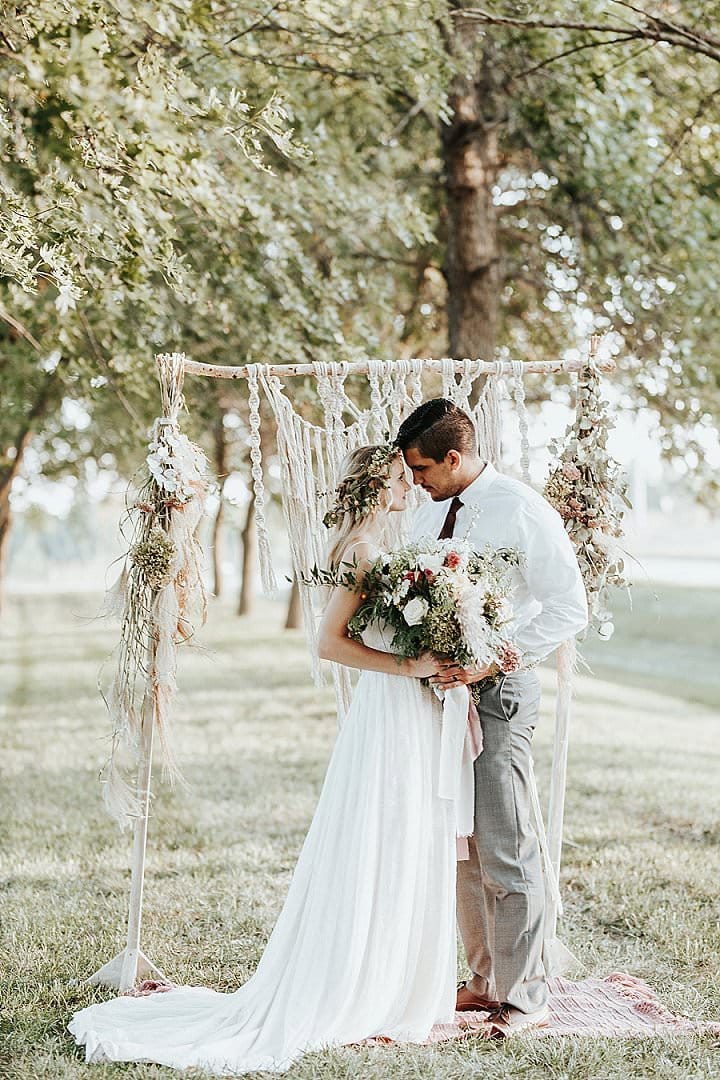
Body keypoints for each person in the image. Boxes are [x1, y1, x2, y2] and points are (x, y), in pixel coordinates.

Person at [69, 444, 462, 1074]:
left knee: (405, 828)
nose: (409, 487)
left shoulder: (379, 544)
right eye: (396, 478)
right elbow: (330, 642)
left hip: (404, 708)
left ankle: (395, 978)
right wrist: (410, 663)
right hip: (389, 706)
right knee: (382, 827)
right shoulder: (359, 552)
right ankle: (363, 982)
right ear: (372, 484)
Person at [395, 398, 588, 1038]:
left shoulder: (523, 510)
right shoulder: (429, 515)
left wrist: (488, 660)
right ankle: (483, 981)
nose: (415, 481)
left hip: (500, 693)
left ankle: (526, 997)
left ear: (454, 457)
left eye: (422, 469)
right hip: (441, 701)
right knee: (462, 847)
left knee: (506, 844)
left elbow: (567, 609)